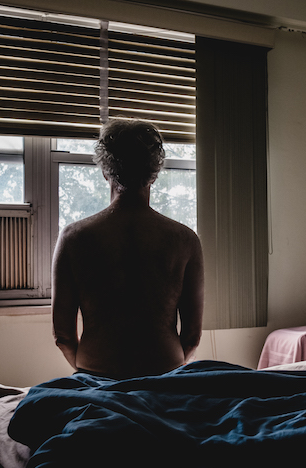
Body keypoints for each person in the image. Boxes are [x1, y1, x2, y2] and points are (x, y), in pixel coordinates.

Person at [51, 118, 204, 379]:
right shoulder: (185, 240)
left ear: (105, 171)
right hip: (163, 376)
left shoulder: (74, 238)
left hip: (97, 375)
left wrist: (89, 374)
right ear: (154, 174)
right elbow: (191, 337)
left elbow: (63, 336)